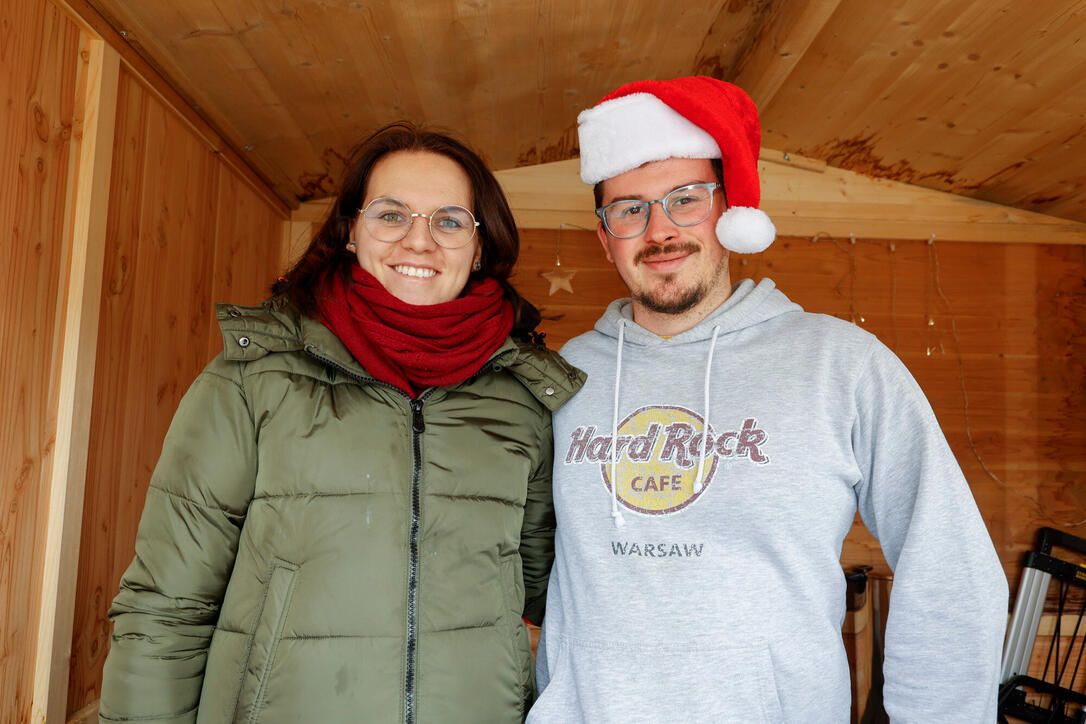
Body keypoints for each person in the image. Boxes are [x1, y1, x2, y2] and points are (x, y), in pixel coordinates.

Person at [527, 77, 1007, 723]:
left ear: (728, 213)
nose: (659, 229)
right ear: (603, 236)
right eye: (629, 208)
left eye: (685, 199)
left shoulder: (840, 364)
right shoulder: (561, 375)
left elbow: (947, 564)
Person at [99, 121, 584, 723]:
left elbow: (555, 592)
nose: (419, 241)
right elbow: (167, 604)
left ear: (480, 245)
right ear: (352, 230)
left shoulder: (524, 397)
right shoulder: (256, 376)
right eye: (391, 214)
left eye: (450, 220)